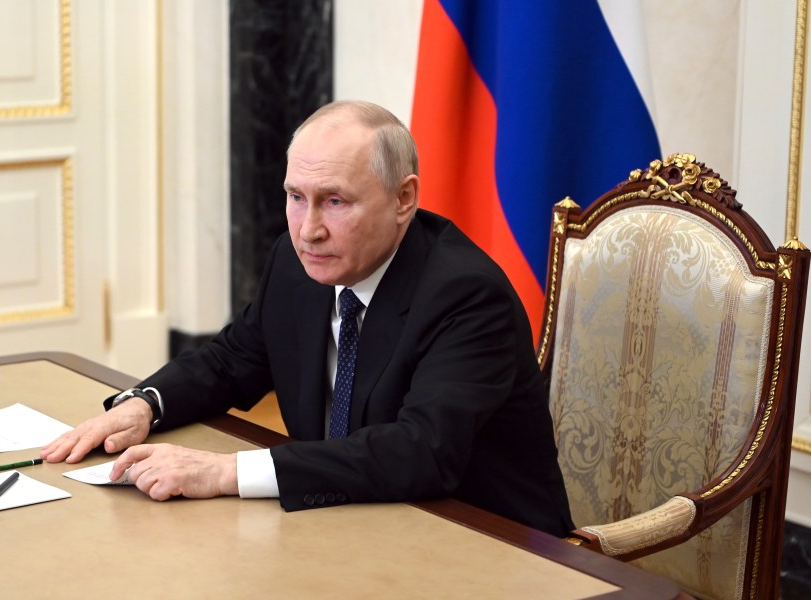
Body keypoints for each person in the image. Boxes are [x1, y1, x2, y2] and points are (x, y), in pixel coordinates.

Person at [42, 100, 574, 536]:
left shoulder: (465, 294)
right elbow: (234, 358)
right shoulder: (300, 264)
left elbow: (422, 452)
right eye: (296, 198)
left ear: (403, 198)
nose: (308, 230)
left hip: (483, 542)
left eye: (335, 201)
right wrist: (145, 405)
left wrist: (227, 471)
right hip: (349, 526)